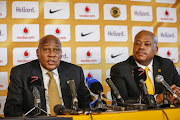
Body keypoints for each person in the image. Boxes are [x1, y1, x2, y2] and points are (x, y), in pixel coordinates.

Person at [4, 35, 92, 117]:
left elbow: (86, 104)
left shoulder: (75, 71)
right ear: (37, 53)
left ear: (61, 54)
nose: (51, 54)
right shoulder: (21, 73)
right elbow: (12, 109)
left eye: (56, 50)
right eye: (46, 49)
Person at [110, 30, 180, 106]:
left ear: (155, 50)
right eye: (137, 43)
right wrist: (158, 98)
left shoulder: (166, 65)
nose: (141, 47)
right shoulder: (120, 69)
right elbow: (121, 102)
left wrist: (176, 95)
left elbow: (178, 87)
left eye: (147, 44)